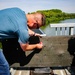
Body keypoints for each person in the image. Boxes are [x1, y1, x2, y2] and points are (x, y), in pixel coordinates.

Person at [0, 7, 46, 75]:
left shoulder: (18, 11)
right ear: (35, 23)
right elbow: (25, 48)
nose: (36, 29)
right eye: (38, 27)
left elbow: (18, 25)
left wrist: (34, 33)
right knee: (4, 67)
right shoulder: (22, 30)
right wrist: (36, 46)